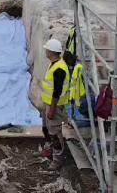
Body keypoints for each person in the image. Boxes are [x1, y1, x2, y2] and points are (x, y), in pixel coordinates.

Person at [39, 39, 70, 170]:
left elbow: (56, 92)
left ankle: (57, 159)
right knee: (46, 128)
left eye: (47, 50)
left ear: (51, 52)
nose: (45, 51)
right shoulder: (54, 64)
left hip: (55, 106)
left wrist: (51, 110)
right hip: (48, 103)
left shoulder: (59, 69)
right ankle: (50, 150)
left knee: (55, 133)